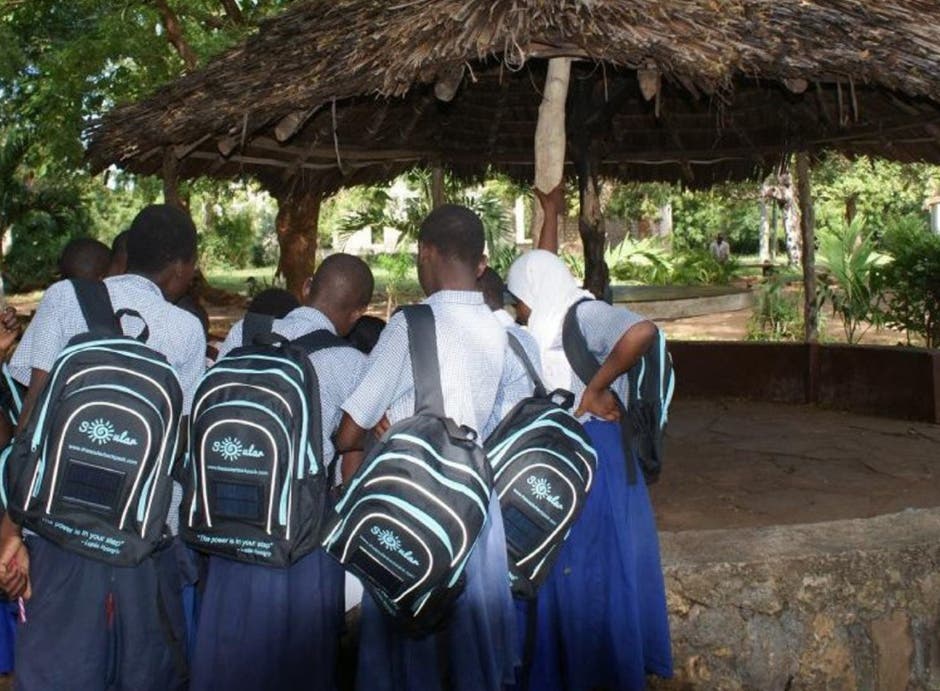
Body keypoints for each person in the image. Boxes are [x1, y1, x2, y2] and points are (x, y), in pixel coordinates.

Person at [0, 203, 207, 691]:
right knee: (143, 673)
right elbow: (180, 439)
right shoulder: (187, 330)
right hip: (146, 536)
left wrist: (12, 528)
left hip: (58, 527)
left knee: (58, 670)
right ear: (183, 269)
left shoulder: (63, 298)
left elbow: (32, 418)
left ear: (128, 252)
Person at [335, 204, 517, 691]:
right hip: (473, 505)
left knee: (410, 637)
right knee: (465, 646)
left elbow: (353, 424)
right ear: (480, 261)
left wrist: (362, 435)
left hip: (416, 504)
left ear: (427, 252)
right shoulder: (497, 328)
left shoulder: (411, 324)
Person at [190, 253, 374, 691]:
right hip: (301, 537)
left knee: (226, 647)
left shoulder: (246, 332)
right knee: (298, 657)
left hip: (227, 518)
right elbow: (350, 457)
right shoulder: (350, 363)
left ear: (307, 287)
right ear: (359, 312)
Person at [505, 249, 673, 691]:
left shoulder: (584, 315)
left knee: (598, 569)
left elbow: (643, 331)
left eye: (517, 298)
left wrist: (595, 388)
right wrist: (551, 209)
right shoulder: (549, 324)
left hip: (599, 460)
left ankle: (605, 673)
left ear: (535, 290)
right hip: (571, 461)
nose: (517, 309)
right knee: (568, 571)